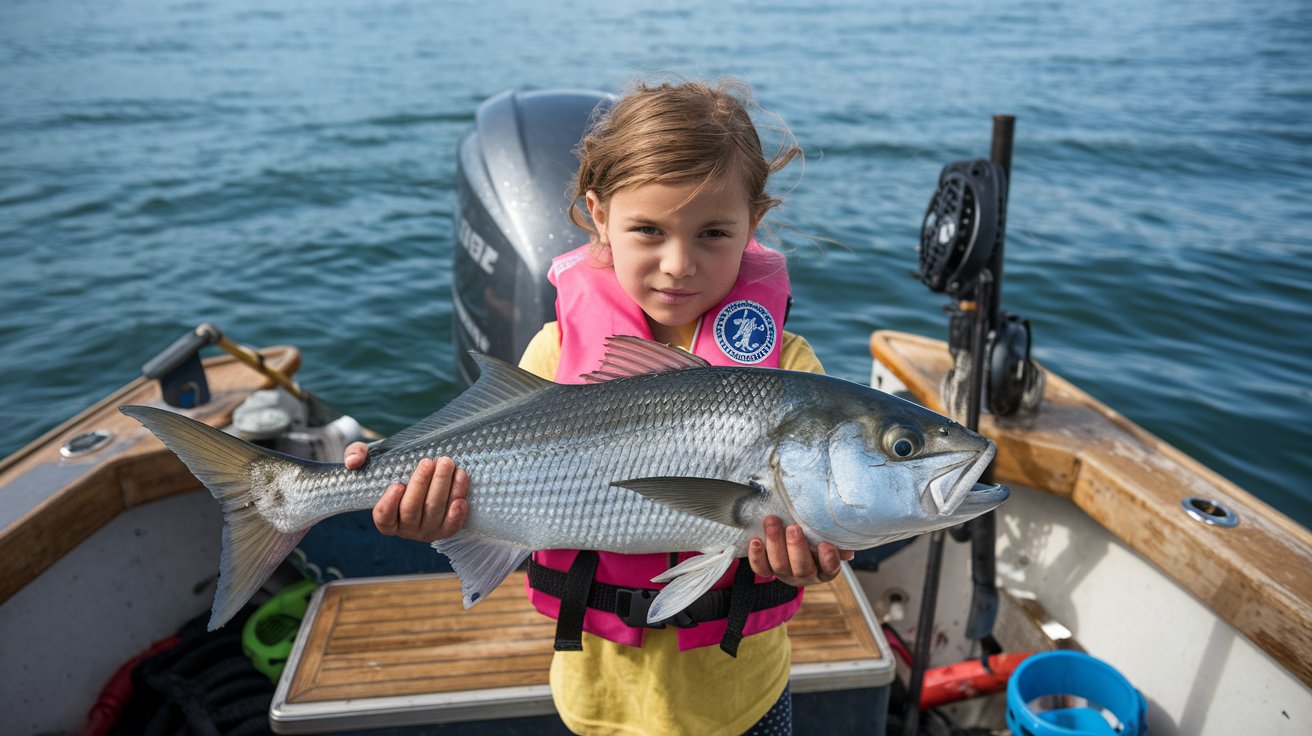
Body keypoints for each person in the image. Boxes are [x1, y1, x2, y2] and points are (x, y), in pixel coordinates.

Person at [342, 78, 851, 735]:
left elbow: (834, 509)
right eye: (648, 230)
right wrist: (418, 500)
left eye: (713, 234)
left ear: (753, 224)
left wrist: (819, 555)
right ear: (597, 216)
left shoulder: (790, 369)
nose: (678, 263)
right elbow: (479, 461)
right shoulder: (555, 350)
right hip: (598, 704)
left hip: (741, 701)